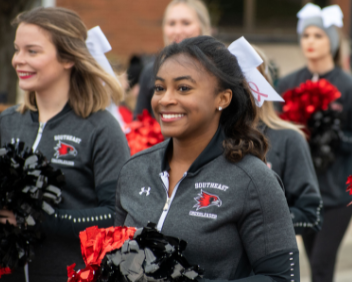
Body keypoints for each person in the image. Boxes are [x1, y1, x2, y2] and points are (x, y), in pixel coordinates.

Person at [115, 36, 299, 281]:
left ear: (222, 98)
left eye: (183, 88)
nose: (165, 99)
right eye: (160, 87)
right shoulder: (134, 169)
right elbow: (114, 258)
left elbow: (282, 277)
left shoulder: (254, 180)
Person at [0, 7, 130, 282]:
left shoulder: (101, 128)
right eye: (17, 50)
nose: (18, 60)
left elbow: (116, 216)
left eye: (32, 51)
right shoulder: (7, 122)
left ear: (68, 58)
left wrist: (40, 219)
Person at [276, 4, 352, 282]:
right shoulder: (288, 84)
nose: (310, 42)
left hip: (337, 195)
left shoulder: (351, 87)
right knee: (313, 263)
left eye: (318, 35)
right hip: (304, 192)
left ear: (331, 40)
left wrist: (331, 137)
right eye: (306, 36)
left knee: (320, 266)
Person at [253, 45, 323, 235]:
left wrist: (255, 225)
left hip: (267, 260)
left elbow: (310, 214)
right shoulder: (206, 138)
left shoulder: (288, 139)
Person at [134, 0, 211, 118]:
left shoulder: (215, 71)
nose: (178, 31)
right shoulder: (151, 72)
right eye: (171, 24)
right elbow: (138, 123)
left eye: (186, 23)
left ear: (202, 27)